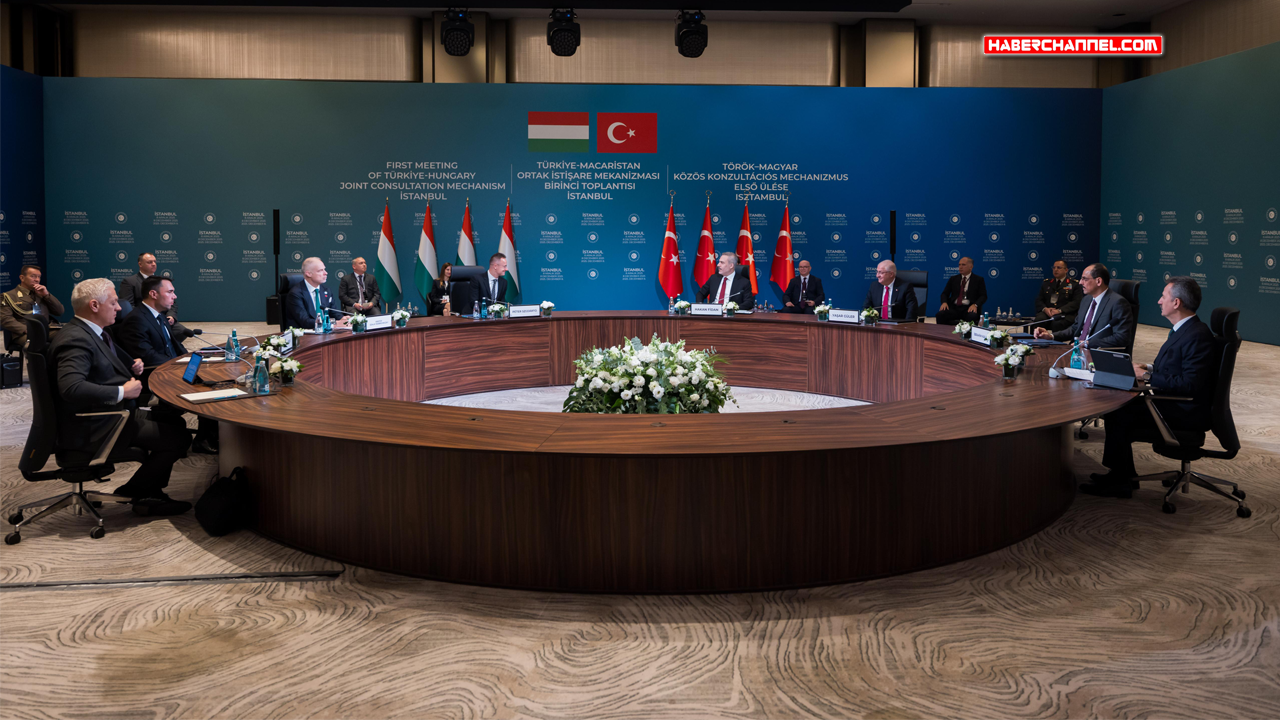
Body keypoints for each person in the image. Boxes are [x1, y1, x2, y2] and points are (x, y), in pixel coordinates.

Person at [48, 278, 192, 516]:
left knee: (172, 421)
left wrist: (130, 366)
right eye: (114, 303)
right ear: (94, 305)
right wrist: (122, 392)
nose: (119, 308)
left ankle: (143, 490)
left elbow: (100, 367)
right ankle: (142, 495)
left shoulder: (93, 332)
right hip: (94, 424)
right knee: (179, 438)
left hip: (109, 414)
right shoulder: (75, 339)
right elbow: (71, 388)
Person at [1083, 277, 1217, 498]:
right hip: (1171, 402)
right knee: (1119, 405)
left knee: (1118, 411)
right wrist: (1149, 368)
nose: (1159, 301)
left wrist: (1146, 376)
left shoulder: (1197, 335)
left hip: (1185, 411)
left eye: (1163, 296)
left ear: (1176, 303)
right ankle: (1123, 474)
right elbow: (1178, 367)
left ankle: (1120, 480)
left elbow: (1190, 384)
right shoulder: (1185, 329)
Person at [116, 276, 218, 454]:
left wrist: (192, 358)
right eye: (170, 292)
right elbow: (147, 357)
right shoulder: (136, 319)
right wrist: (181, 364)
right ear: (153, 294)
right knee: (208, 388)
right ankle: (203, 439)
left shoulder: (159, 315)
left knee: (213, 376)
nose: (175, 296)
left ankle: (210, 434)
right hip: (153, 376)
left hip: (171, 368)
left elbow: (175, 346)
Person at [1034, 263, 1132, 350]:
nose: (1080, 282)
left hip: (1096, 353)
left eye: (1084, 279)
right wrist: (1051, 336)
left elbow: (1122, 338)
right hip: (1076, 350)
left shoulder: (1117, 303)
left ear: (1098, 281)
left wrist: (1087, 343)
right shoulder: (1086, 300)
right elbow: (1075, 328)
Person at [119, 252, 192, 339]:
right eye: (149, 262)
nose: (153, 264)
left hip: (163, 319)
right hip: (143, 319)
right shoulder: (130, 282)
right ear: (140, 264)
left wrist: (171, 316)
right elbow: (128, 306)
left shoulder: (162, 281)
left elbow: (172, 303)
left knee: (182, 331)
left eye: (155, 261)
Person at [3, 265, 65, 350]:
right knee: (39, 343)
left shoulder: (41, 293)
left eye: (39, 277)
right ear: (22, 278)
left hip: (47, 329)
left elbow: (60, 311)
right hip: (25, 333)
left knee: (69, 336)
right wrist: (26, 329)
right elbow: (5, 319)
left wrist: (46, 295)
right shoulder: (9, 296)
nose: (37, 279)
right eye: (33, 276)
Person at [284, 257, 350, 330]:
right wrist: (333, 323)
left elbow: (334, 312)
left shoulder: (326, 290)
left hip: (325, 331)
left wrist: (342, 319)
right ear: (308, 274)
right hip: (305, 333)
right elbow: (305, 322)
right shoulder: (295, 294)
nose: (325, 273)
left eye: (324, 269)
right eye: (320, 271)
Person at [934, 257, 986, 326]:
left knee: (972, 316)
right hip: (954, 308)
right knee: (940, 315)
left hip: (969, 308)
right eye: (959, 265)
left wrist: (975, 305)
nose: (960, 267)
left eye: (963, 265)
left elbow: (983, 296)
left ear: (971, 267)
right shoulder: (953, 279)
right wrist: (944, 302)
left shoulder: (978, 280)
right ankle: (942, 332)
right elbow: (944, 293)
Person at [1033, 260, 1082, 332]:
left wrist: (1059, 310)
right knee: (1039, 320)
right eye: (1054, 268)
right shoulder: (1046, 283)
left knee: (1057, 323)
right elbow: (1039, 300)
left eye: (1059, 268)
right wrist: (1045, 309)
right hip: (1048, 312)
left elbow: (1076, 302)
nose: (1055, 270)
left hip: (1065, 313)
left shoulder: (1074, 284)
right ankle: (1036, 338)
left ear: (1066, 270)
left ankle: (1055, 339)